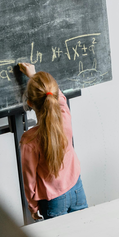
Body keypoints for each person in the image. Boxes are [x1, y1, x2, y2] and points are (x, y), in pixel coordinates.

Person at [19, 63, 87, 220]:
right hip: (76, 188)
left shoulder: (29, 140)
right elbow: (59, 98)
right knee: (85, 230)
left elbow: (29, 180)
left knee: (60, 236)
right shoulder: (65, 116)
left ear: (30, 104)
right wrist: (34, 76)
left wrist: (33, 207)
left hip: (53, 200)